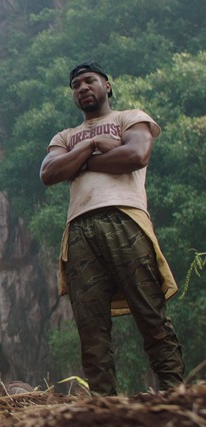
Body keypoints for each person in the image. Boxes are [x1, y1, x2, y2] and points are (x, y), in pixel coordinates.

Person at [40, 61, 184, 395]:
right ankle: (103, 404)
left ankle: (175, 393)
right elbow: (49, 174)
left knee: (150, 311)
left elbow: (136, 155)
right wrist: (91, 146)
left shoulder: (130, 117)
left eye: (90, 81)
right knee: (90, 325)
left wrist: (78, 163)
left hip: (126, 218)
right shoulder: (64, 136)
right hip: (79, 229)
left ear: (107, 86)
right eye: (76, 85)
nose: (82, 88)